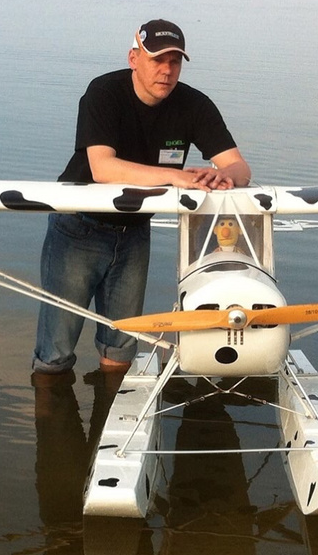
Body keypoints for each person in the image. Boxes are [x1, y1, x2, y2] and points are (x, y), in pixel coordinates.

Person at [32, 19, 251, 379]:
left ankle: (111, 414)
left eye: (174, 62)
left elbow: (240, 166)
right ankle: (56, 427)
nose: (166, 71)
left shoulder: (194, 104)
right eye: (157, 60)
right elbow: (102, 167)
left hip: (134, 233)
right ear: (134, 58)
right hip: (78, 228)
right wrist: (176, 176)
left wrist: (225, 175)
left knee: (121, 346)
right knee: (55, 352)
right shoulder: (103, 93)